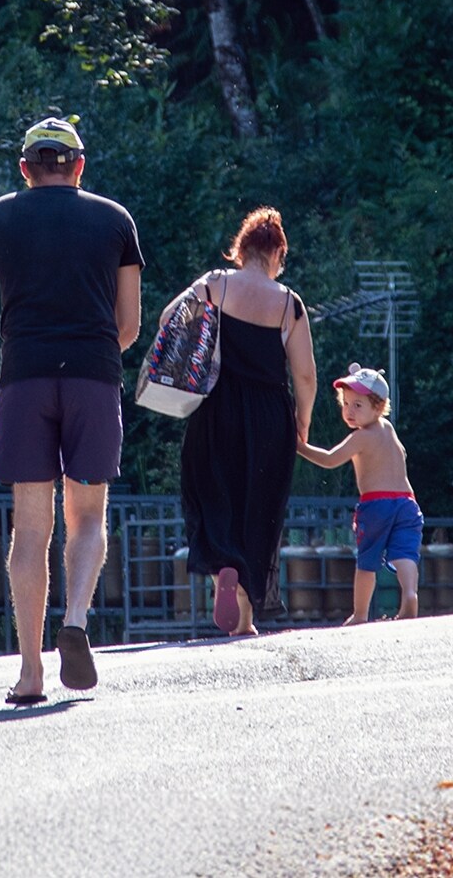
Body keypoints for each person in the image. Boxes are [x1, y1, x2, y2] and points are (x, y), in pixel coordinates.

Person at [0, 117, 145, 704]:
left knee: (30, 530)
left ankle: (31, 671)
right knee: (87, 518)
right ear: (79, 166)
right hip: (92, 377)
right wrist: (91, 356)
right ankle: (77, 620)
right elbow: (129, 326)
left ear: (25, 168)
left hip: (24, 381)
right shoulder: (115, 220)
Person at [175, 207, 316, 636]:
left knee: (213, 494)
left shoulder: (216, 284)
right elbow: (305, 375)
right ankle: (247, 617)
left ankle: (223, 568)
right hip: (270, 416)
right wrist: (302, 423)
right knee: (259, 507)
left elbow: (169, 320)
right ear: (278, 254)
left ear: (241, 248)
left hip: (216, 408)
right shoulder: (289, 304)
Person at [297, 365, 420, 625]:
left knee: (367, 560)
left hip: (377, 504)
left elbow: (330, 460)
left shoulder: (361, 437)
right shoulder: (388, 429)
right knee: (404, 554)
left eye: (358, 406)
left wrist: (299, 447)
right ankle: (409, 593)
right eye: (347, 404)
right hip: (407, 503)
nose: (349, 412)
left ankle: (361, 613)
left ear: (378, 407)